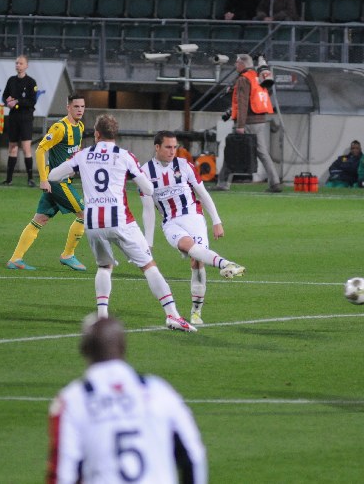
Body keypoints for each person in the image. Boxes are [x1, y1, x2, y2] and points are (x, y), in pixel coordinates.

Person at [47, 114, 197, 332]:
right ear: (115, 134)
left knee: (104, 267)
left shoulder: (83, 155)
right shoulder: (125, 156)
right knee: (148, 266)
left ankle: (102, 317)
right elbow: (148, 189)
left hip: (93, 222)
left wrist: (75, 172)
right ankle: (172, 315)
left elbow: (53, 176)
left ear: (96, 134)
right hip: (120, 219)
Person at [46, 315, 207, 484]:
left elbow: (61, 476)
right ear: (123, 347)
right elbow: (194, 457)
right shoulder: (159, 391)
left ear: (84, 349)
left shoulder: (72, 402)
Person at [141, 131, 246, 326]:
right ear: (157, 147)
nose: (173, 151)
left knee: (197, 263)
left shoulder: (184, 165)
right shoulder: (145, 172)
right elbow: (148, 210)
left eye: (175, 147)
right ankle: (225, 264)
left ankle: (196, 312)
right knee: (188, 247)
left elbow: (203, 193)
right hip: (170, 223)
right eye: (168, 147)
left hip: (193, 217)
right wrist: (148, 242)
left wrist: (216, 220)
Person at [6, 94, 88, 272]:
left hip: (62, 181)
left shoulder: (80, 127)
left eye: (82, 106)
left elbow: (74, 154)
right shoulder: (60, 128)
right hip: (58, 182)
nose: (80, 110)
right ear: (68, 107)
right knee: (85, 215)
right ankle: (68, 255)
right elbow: (41, 149)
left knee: (40, 219)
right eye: (76, 107)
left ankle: (15, 259)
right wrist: (43, 178)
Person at [213, 54, 282, 193]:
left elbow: (242, 104)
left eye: (237, 63)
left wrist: (240, 126)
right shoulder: (257, 77)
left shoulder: (244, 79)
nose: (235, 66)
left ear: (243, 64)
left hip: (248, 121)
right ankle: (274, 182)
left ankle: (223, 183)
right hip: (260, 120)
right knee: (262, 152)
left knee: (231, 150)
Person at [0, 55, 37, 187]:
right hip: (13, 117)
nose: (18, 65)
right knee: (12, 147)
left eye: (21, 63)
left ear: (26, 65)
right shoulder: (11, 80)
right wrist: (7, 101)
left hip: (25, 118)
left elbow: (32, 101)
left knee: (26, 148)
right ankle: (8, 179)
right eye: (17, 63)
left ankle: (30, 179)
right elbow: (4, 95)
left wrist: (18, 101)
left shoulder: (31, 82)